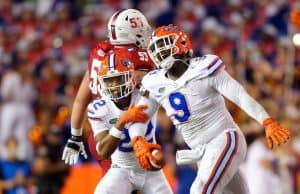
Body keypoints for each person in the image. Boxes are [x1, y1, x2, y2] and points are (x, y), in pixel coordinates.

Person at [127, 24, 291, 194]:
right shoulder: (153, 81)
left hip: (224, 138)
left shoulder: (205, 67)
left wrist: (266, 120)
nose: (159, 52)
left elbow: (239, 95)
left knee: (200, 190)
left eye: (164, 45)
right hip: (200, 151)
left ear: (181, 43)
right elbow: (140, 114)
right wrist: (137, 140)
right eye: (155, 48)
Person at [61, 9, 154, 174]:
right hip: (123, 132)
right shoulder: (135, 57)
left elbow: (80, 100)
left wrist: (75, 135)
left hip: (99, 132)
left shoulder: (101, 55)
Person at [87, 51, 173, 194]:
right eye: (109, 81)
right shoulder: (99, 108)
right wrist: (121, 122)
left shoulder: (145, 92)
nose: (114, 85)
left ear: (130, 76)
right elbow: (103, 151)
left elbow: (162, 79)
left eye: (118, 79)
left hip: (149, 167)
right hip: (121, 168)